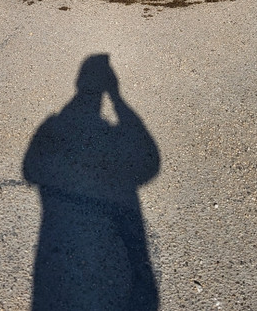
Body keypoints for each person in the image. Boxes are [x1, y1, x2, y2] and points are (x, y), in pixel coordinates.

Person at [23, 55, 160, 310]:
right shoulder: (56, 125)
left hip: (56, 245)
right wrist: (117, 99)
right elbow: (149, 164)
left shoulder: (53, 125)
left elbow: (30, 170)